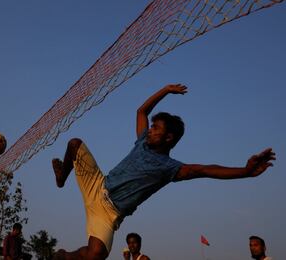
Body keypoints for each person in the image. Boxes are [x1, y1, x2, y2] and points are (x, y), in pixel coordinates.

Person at [51, 84, 276, 260]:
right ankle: (62, 178)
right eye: (152, 126)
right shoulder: (142, 142)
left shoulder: (170, 168)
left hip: (108, 214)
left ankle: (62, 256)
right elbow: (142, 111)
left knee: (96, 255)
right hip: (98, 185)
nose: (150, 130)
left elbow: (207, 170)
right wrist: (165, 91)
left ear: (168, 138)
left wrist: (245, 171)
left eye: (156, 128)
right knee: (74, 144)